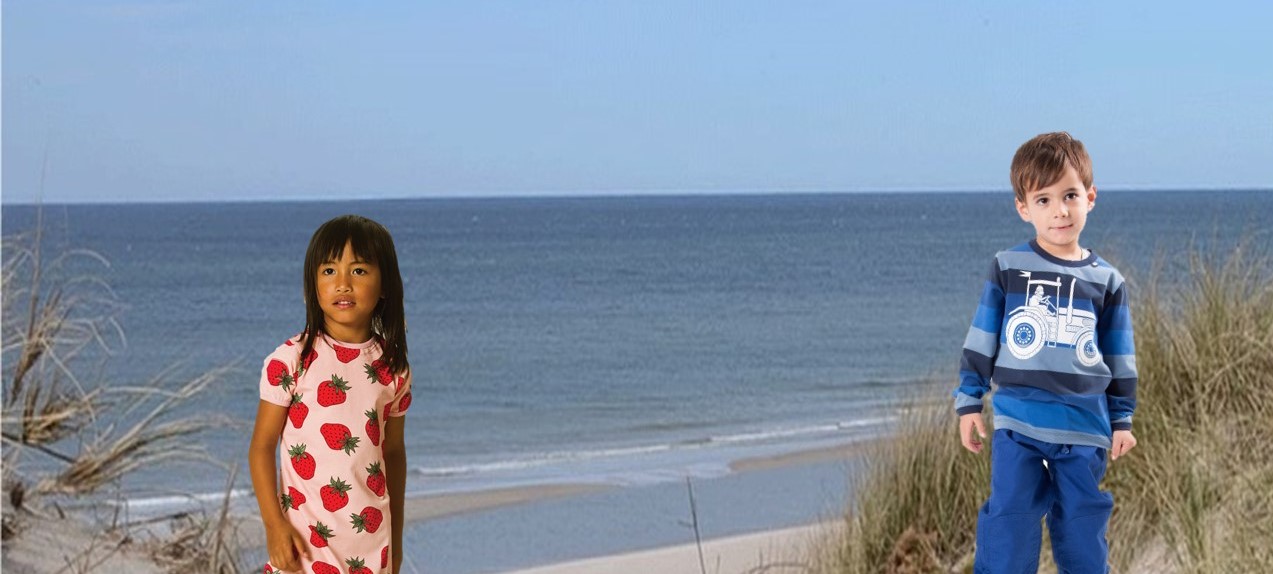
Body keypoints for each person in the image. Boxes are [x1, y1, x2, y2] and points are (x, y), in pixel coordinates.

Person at [953, 132, 1138, 573]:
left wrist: (1122, 419)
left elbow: (1119, 356)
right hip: (1019, 423)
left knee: (1081, 526)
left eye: (1070, 195)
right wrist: (969, 401)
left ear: (1090, 197)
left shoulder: (1107, 281)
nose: (1060, 210)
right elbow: (983, 337)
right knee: (1010, 521)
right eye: (1044, 199)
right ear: (1024, 208)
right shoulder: (1008, 267)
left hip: (1084, 428)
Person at [249, 215, 413, 573]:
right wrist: (274, 526)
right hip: (304, 551)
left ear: (385, 284)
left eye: (359, 271)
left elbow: (394, 454)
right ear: (313, 284)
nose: (342, 284)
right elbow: (261, 447)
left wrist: (396, 543)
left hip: (372, 548)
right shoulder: (291, 360)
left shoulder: (393, 368)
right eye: (328, 271)